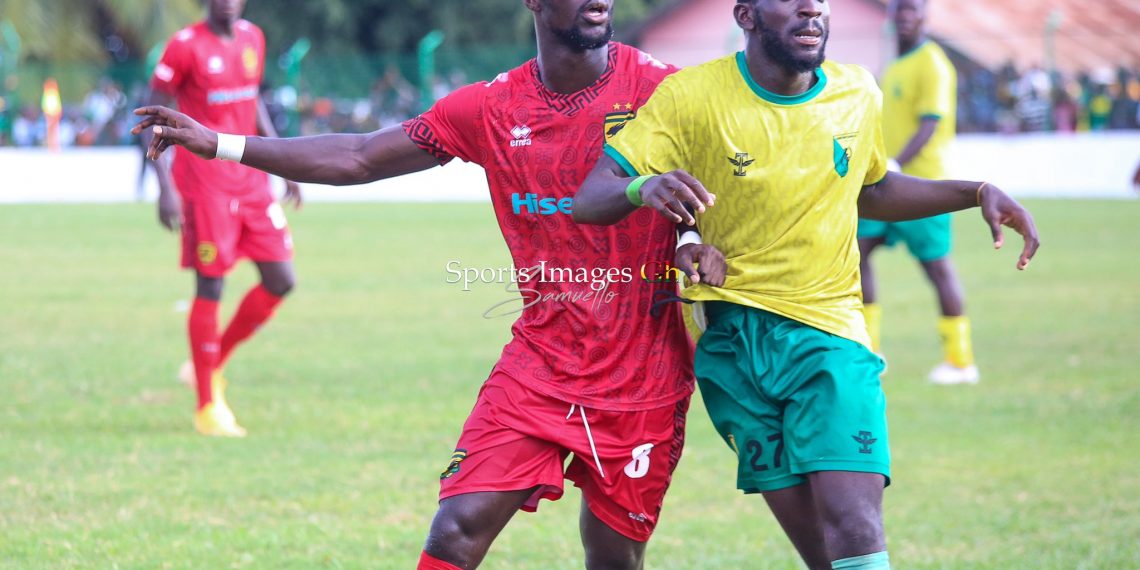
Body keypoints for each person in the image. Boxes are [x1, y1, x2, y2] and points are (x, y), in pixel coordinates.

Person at [134, 1, 694, 568]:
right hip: (540, 368)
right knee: (455, 529)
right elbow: (359, 156)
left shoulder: (664, 93)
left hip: (643, 381)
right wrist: (221, 143)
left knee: (613, 558)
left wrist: (698, 244)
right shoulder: (491, 106)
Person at [572, 0, 1040, 569]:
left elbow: (873, 190)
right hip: (731, 352)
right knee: (822, 553)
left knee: (854, 526)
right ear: (746, 16)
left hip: (828, 337)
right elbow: (590, 200)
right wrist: (642, 188)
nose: (811, 9)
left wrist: (973, 190)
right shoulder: (689, 97)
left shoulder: (856, 91)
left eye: (817, 0)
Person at [141, 0, 303, 437]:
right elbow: (151, 116)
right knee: (211, 283)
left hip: (249, 179)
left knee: (281, 280)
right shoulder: (183, 47)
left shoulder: (254, 37)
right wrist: (164, 186)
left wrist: (285, 163)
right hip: (203, 184)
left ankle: (210, 364)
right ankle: (207, 406)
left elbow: (253, 106)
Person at [856, 0, 978, 384]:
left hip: (923, 187)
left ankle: (961, 361)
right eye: (899, 10)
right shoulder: (897, 63)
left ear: (925, 16)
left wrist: (896, 163)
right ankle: (869, 350)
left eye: (912, 10)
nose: (905, 17)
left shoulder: (933, 63)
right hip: (886, 186)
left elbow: (930, 125)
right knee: (855, 255)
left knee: (938, 268)